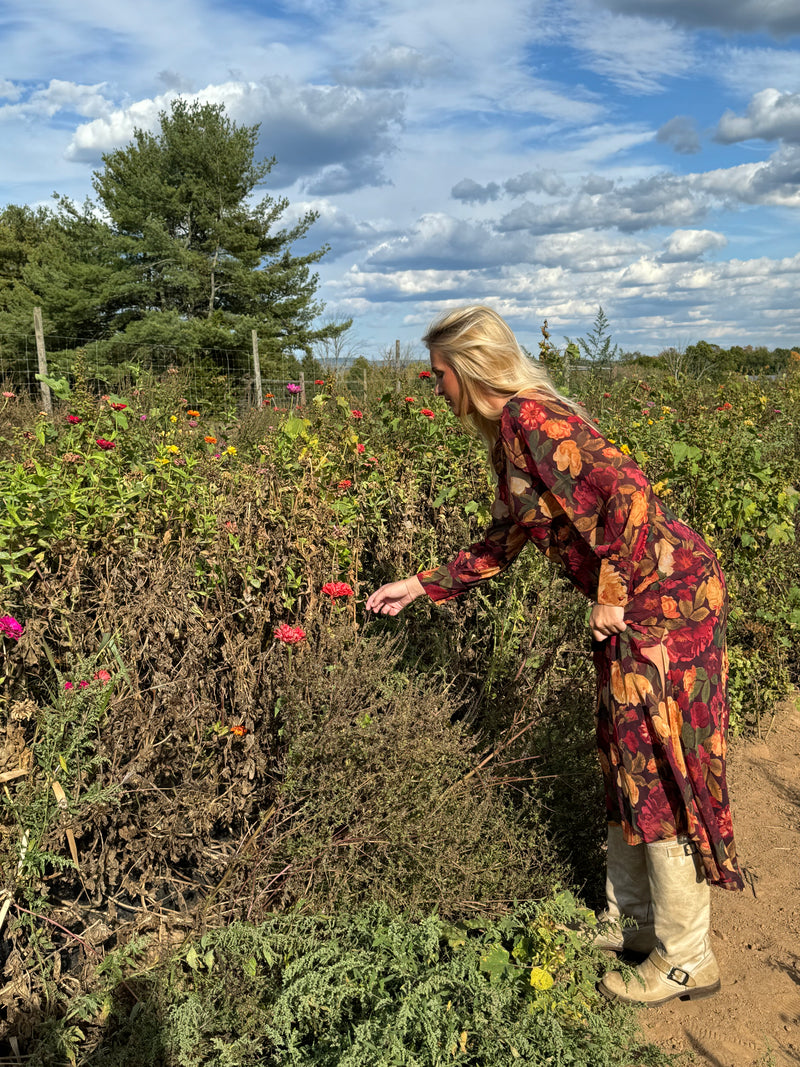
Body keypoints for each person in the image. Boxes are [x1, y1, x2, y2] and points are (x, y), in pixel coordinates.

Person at [365, 305, 744, 1006]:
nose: (436, 388)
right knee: (623, 751)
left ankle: (689, 957)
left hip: (667, 598)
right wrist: (420, 584)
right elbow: (505, 539)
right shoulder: (510, 437)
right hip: (642, 596)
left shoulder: (533, 421)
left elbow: (629, 493)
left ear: (469, 370)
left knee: (656, 760)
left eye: (438, 374)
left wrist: (610, 587)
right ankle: (631, 923)